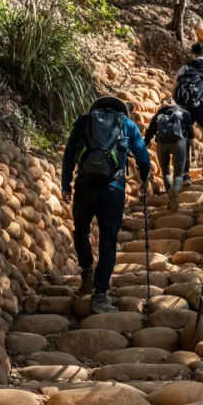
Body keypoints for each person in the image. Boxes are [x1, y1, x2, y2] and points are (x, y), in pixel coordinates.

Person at [61, 95, 151, 314]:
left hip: (84, 187)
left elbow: (69, 154)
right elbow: (143, 157)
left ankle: (87, 273)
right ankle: (100, 294)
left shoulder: (84, 121)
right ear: (121, 110)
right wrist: (144, 176)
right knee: (108, 238)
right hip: (113, 189)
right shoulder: (128, 125)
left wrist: (65, 184)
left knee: (81, 229)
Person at [172, 42, 203, 179]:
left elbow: (174, 87)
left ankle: (185, 174)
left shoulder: (185, 68)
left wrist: (177, 104)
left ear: (192, 54)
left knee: (185, 137)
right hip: (200, 106)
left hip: (183, 107)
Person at [144, 98, 193, 211]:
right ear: (175, 103)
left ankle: (171, 201)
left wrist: (144, 147)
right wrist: (193, 150)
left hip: (162, 144)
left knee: (165, 172)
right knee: (178, 174)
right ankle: (175, 191)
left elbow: (149, 132)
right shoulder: (184, 113)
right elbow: (190, 133)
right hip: (179, 143)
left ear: (163, 105)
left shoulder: (158, 115)